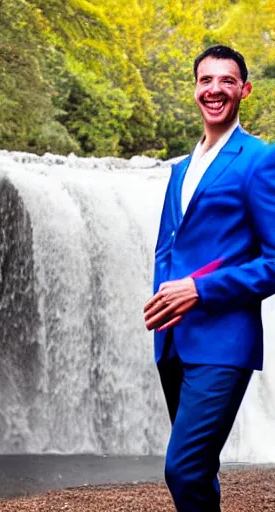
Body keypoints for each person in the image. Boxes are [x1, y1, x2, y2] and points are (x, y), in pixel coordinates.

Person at [144, 44, 275, 511]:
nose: (214, 89)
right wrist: (163, 300)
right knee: (198, 468)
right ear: (195, 88)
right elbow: (167, 245)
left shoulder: (259, 159)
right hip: (174, 339)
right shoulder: (180, 169)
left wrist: (198, 289)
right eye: (206, 80)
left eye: (226, 80)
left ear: (244, 89)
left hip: (224, 342)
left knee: (182, 468)